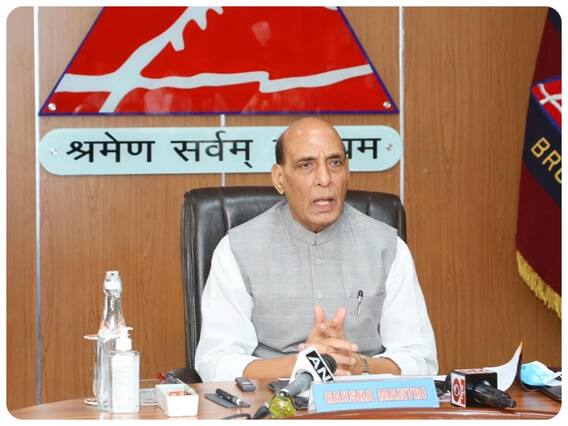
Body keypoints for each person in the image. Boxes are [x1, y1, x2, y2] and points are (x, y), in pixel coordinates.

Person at [195, 117, 438, 381]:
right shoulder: (236, 249)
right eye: (306, 165)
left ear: (347, 171)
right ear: (279, 178)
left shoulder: (388, 247)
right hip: (274, 400)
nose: (325, 179)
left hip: (364, 398)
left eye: (335, 163)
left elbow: (420, 360)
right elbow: (216, 362)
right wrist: (303, 364)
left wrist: (356, 364)